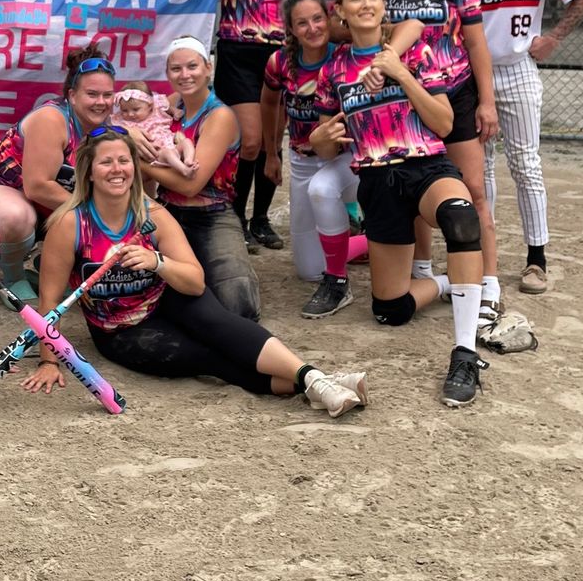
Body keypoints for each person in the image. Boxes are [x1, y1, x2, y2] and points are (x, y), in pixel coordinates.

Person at [19, 128, 367, 416]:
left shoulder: (151, 213)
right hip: (119, 328)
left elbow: (194, 279)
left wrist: (156, 262)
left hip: (164, 297)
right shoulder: (69, 223)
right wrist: (49, 361)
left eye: (124, 161)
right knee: (210, 359)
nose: (117, 169)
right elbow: (50, 299)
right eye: (106, 162)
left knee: (222, 326)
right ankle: (319, 386)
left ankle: (316, 379)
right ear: (89, 171)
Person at [313, 0, 486, 408]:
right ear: (342, 11)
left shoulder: (414, 52)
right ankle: (448, 285)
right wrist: (321, 138)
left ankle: (465, 353)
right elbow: (319, 142)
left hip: (426, 165)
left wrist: (400, 73)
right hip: (377, 180)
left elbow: (444, 125)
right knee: (391, 311)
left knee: (461, 218)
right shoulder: (333, 69)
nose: (367, 4)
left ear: (384, 7)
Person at [441, 0, 583, 296]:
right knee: (481, 170)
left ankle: (536, 258)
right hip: (472, 75)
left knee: (526, 164)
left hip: (517, 69)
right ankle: (480, 253)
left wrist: (554, 39)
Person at [377, 0, 502, 330]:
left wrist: (486, 100)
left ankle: (489, 283)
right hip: (398, 97)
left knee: (472, 189)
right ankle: (425, 272)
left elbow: (476, 43)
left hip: (454, 91)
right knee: (412, 188)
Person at [0, 43, 117, 301]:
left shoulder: (104, 128)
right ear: (72, 95)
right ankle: (13, 276)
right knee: (17, 216)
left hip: (46, 205)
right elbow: (38, 187)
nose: (101, 102)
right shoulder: (52, 119)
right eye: (92, 94)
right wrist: (97, 212)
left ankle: (50, 266)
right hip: (0, 190)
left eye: (107, 95)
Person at [136, 36, 259, 321]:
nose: (185, 75)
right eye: (176, 69)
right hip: (167, 212)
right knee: (135, 291)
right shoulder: (167, 105)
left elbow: (191, 185)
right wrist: (131, 136)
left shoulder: (220, 116)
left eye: (192, 66)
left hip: (212, 214)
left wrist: (140, 159)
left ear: (208, 67)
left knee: (239, 306)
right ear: (167, 74)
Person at [261, 0, 368, 315]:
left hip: (347, 160)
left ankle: (367, 237)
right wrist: (271, 153)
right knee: (308, 270)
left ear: (330, 18)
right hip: (303, 160)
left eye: (318, 19)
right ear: (291, 29)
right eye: (302, 23)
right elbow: (268, 102)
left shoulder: (346, 56)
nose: (312, 28)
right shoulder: (281, 61)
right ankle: (369, 242)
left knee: (325, 191)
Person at [216, 0, 307, 252]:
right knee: (249, 141)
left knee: (271, 140)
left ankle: (261, 219)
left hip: (279, 56)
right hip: (238, 52)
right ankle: (235, 218)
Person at [110, 81, 194, 174]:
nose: (130, 114)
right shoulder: (123, 122)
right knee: (168, 153)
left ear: (150, 105)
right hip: (156, 154)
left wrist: (175, 112)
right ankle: (184, 169)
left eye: (136, 109)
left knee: (187, 142)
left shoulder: (157, 109)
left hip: (172, 145)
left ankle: (189, 160)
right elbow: (113, 131)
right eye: (124, 110)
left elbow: (167, 107)